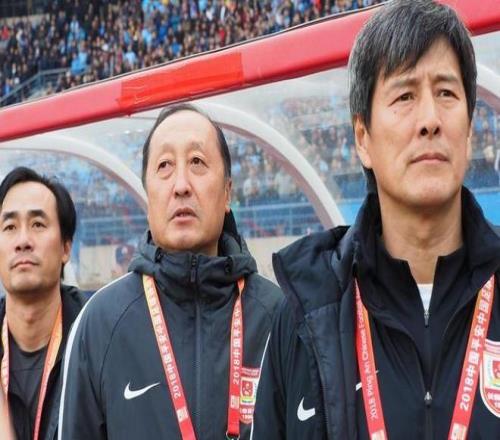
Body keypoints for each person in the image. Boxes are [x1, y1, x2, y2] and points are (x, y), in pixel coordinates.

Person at [252, 0, 500, 438]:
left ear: (469, 129)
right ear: (362, 138)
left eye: (446, 93)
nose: (430, 120)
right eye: (405, 96)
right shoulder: (306, 313)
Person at [59, 104, 282, 439]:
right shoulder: (100, 323)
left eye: (197, 162)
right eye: (164, 165)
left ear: (227, 193)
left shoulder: (278, 316)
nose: (181, 185)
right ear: (148, 196)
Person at [0, 167, 87, 440]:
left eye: (37, 224)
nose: (23, 241)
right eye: (10, 227)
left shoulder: (97, 339)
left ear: (66, 248)